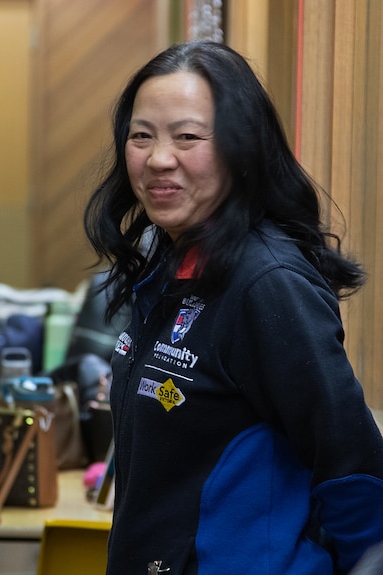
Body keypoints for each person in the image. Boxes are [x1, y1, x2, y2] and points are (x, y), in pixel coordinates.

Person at [83, 41, 383, 575]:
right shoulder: (165, 260)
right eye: (141, 136)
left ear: (241, 149)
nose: (158, 159)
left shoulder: (268, 283)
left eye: (188, 137)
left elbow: (352, 466)